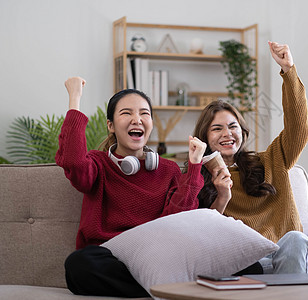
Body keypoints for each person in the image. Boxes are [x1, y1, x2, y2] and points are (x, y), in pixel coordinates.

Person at [56, 77, 206, 297]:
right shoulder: (97, 163)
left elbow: (178, 220)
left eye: (144, 113)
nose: (137, 119)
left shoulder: (169, 170)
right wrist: (74, 98)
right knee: (79, 265)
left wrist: (194, 167)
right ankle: (162, 288)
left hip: (154, 257)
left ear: (151, 123)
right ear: (111, 125)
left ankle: (158, 284)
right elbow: (73, 162)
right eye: (126, 113)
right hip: (110, 257)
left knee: (252, 268)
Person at [193, 41, 308, 274]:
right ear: (204, 137)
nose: (227, 134)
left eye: (233, 126)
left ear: (243, 132)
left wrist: (289, 72)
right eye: (217, 129)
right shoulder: (197, 178)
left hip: (292, 251)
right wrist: (222, 193)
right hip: (252, 264)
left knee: (302, 247)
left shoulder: (271, 160)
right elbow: (204, 234)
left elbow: (299, 129)